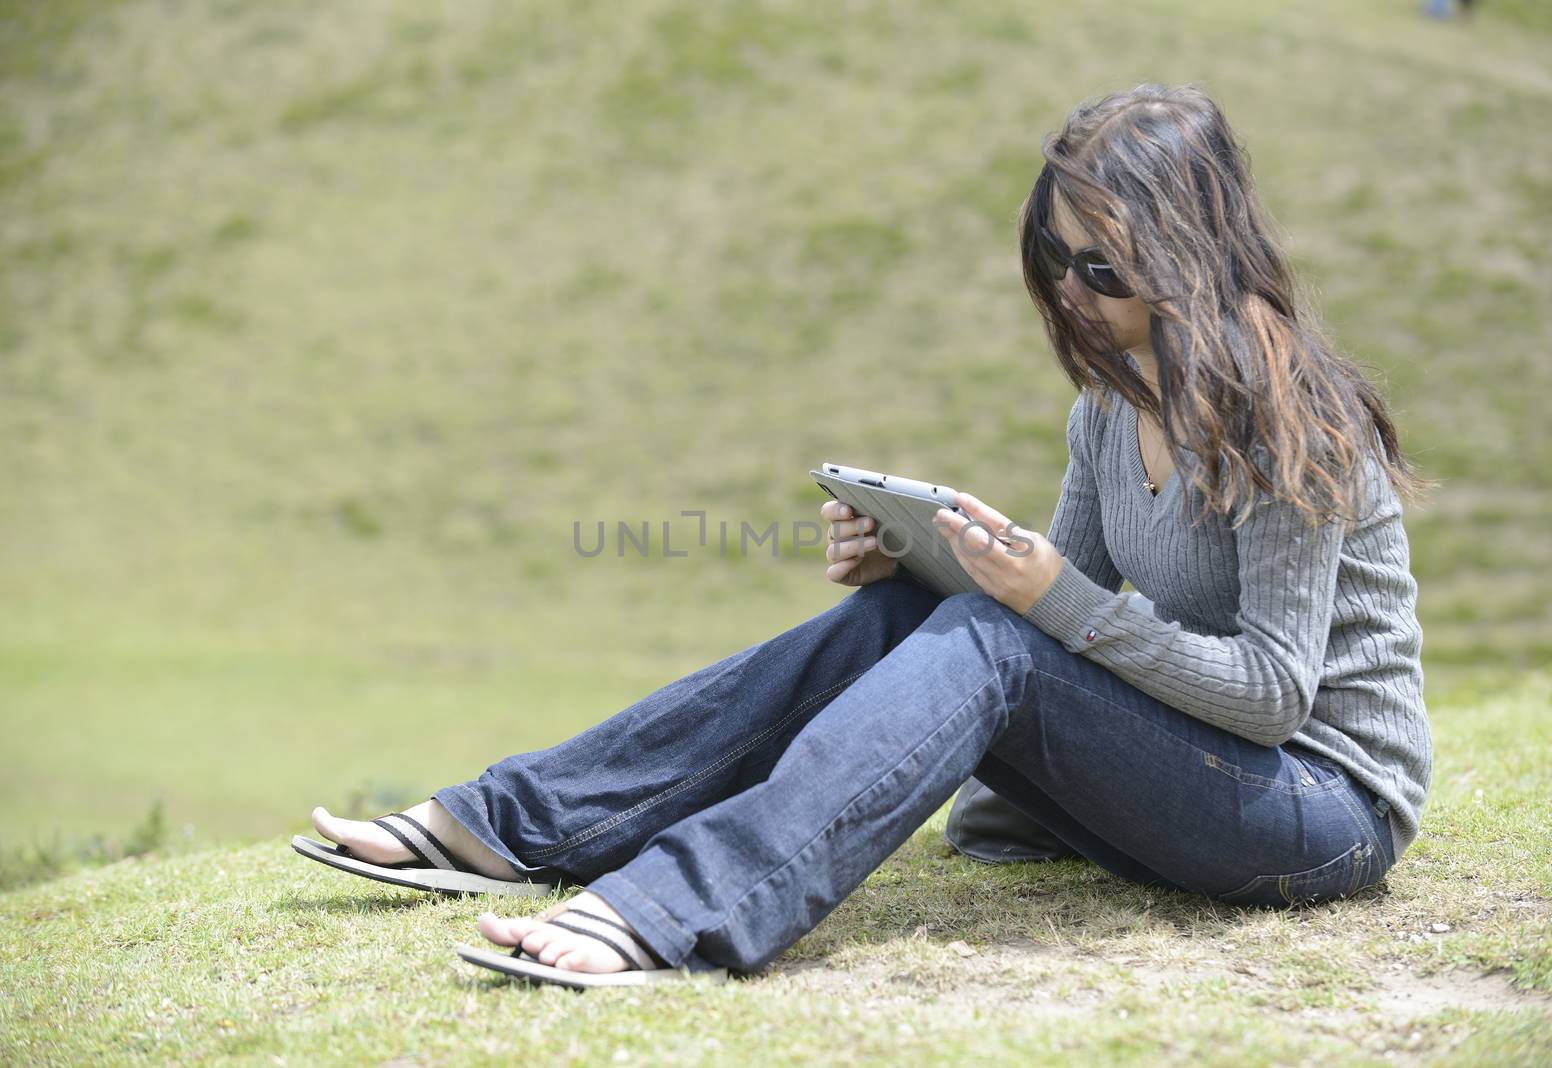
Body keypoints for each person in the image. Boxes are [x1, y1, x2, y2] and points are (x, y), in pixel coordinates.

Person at [303, 82, 1434, 986]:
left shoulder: (1296, 418)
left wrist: (1043, 602)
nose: (1073, 295)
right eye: (1055, 260)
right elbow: (1064, 608)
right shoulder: (1109, 405)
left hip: (1320, 809)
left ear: (1191, 259)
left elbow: (1271, 694)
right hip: (1205, 782)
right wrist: (921, 566)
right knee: (907, 612)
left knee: (992, 642)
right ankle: (514, 828)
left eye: (1103, 270)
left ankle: (674, 909)